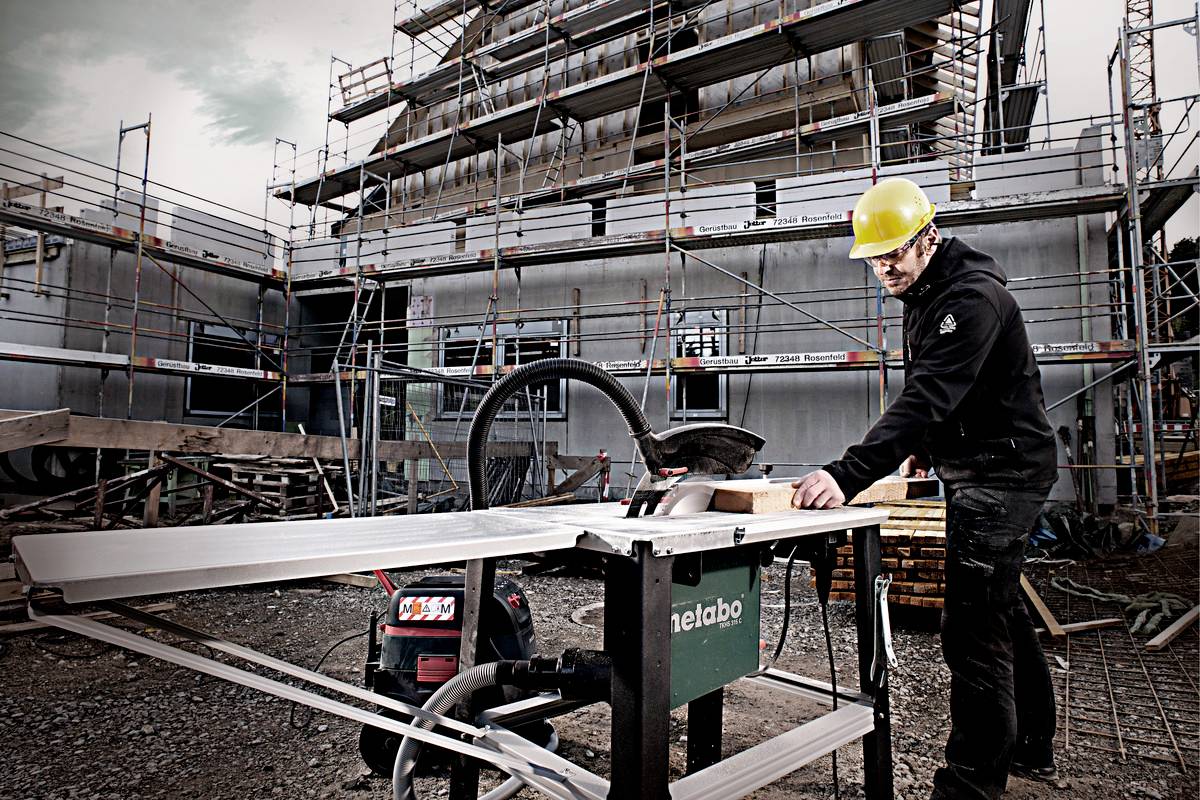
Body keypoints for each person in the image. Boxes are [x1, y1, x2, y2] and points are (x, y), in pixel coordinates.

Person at [791, 178, 1060, 799]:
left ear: (928, 238)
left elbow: (929, 394)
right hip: (977, 465)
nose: (884, 267)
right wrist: (921, 452)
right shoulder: (926, 291)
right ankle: (1032, 743)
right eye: (875, 258)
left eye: (894, 254)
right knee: (1003, 608)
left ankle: (972, 786)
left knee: (971, 630)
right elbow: (943, 397)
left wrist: (846, 474)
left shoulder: (970, 300)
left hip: (1005, 474)